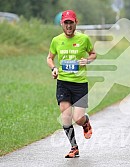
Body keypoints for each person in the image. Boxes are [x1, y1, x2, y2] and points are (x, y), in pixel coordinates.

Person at [47, 10, 96, 158]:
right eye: (66, 23)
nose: (68, 26)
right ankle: (74, 147)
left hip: (80, 84)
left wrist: (87, 60)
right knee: (66, 117)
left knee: (78, 118)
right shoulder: (56, 40)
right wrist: (54, 68)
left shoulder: (84, 39)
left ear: (76, 22)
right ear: (62, 24)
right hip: (63, 83)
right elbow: (50, 57)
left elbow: (93, 54)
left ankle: (85, 122)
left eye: (71, 22)